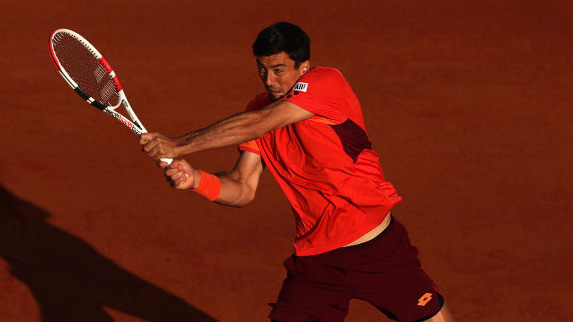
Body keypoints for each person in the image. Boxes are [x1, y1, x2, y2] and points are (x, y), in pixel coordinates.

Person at [140, 21, 455, 322]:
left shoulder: (326, 83)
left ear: (303, 67)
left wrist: (179, 145)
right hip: (316, 262)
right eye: (262, 69)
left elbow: (260, 123)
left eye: (279, 70)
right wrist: (195, 179)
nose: (269, 80)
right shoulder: (259, 109)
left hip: (375, 249)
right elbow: (242, 187)